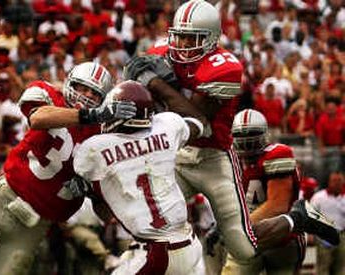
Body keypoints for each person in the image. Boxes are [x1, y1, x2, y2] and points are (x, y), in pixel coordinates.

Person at [123, 0, 340, 264]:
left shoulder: (225, 67)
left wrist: (156, 83)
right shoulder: (160, 53)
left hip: (214, 157)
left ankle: (297, 218)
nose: (181, 45)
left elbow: (198, 121)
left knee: (243, 248)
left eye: (191, 38)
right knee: (150, 217)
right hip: (178, 154)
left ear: (212, 39)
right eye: (178, 36)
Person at [0, 62, 136, 275]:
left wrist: (90, 189)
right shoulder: (51, 96)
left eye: (95, 93)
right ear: (70, 83)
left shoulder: (101, 137)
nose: (87, 96)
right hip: (4, 198)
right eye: (83, 88)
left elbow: (102, 206)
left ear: (104, 98)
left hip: (35, 223)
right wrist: (90, 115)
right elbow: (38, 118)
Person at [71, 80, 206, 274]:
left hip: (159, 253)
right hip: (187, 244)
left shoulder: (96, 149)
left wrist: (90, 192)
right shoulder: (166, 125)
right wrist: (158, 83)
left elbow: (105, 214)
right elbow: (198, 122)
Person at [224, 109, 306, 274]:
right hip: (248, 239)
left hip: (281, 238)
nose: (247, 141)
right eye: (241, 135)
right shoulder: (231, 157)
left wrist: (234, 228)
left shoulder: (277, 154)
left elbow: (278, 205)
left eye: (252, 134)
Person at [311, 171, 345, 275]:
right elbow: (310, 216)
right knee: (323, 267)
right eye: (334, 181)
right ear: (329, 182)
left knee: (340, 267)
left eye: (339, 181)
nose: (337, 183)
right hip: (324, 237)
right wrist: (311, 234)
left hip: (341, 236)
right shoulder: (319, 197)